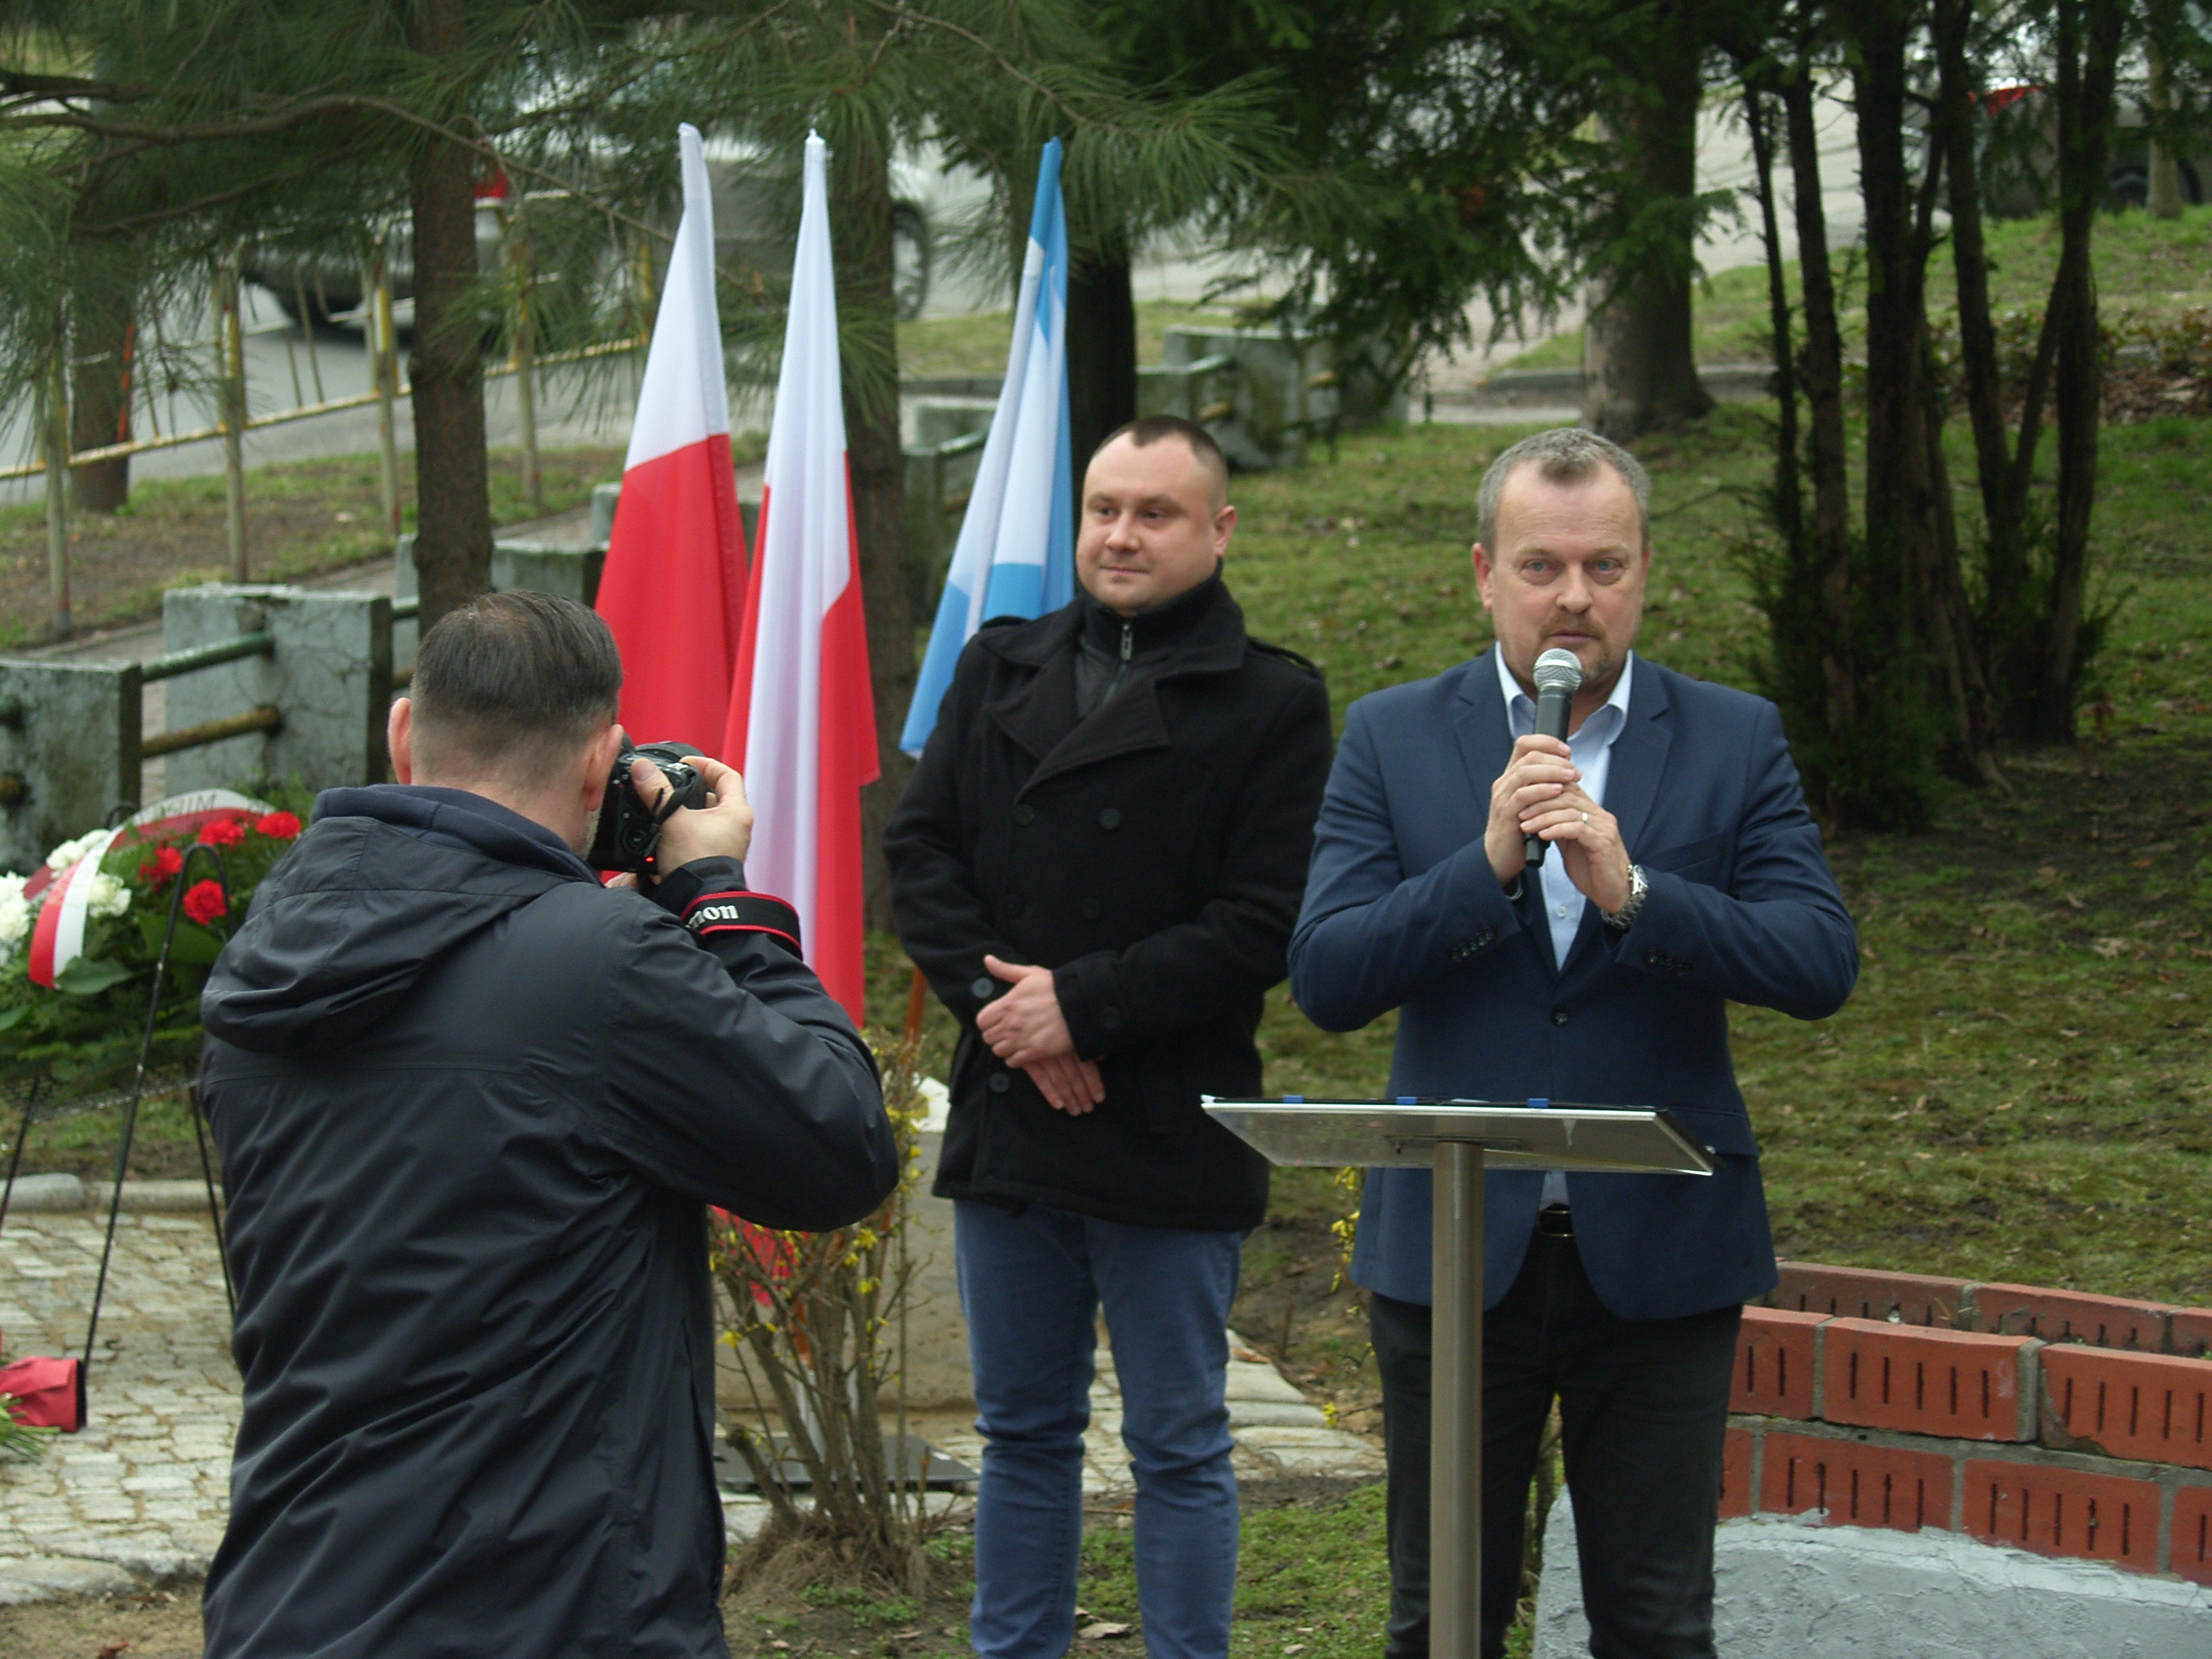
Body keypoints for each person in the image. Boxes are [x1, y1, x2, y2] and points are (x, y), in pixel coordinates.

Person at [197, 591, 898, 1659]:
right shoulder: (600, 967)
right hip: (550, 1606)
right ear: (601, 762)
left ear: (402, 734)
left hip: (295, 1590)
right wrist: (718, 898)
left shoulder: (268, 953)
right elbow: (842, 1146)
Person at [1288, 428, 1857, 1659]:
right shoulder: (1393, 735)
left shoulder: (1733, 737)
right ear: (1483, 575)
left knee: (1656, 1622)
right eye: (1541, 566)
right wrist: (1484, 865)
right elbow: (1325, 978)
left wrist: (1635, 894)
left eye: (1605, 565)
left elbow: (1819, 964)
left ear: (1646, 572)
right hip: (1453, 1261)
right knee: (1443, 1617)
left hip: (1662, 1256)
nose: (1574, 598)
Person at [884, 415, 1334, 1659]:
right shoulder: (999, 665)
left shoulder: (1273, 700)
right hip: (1015, 1117)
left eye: (1155, 512)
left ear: (1219, 530)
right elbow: (920, 855)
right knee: (1022, 1435)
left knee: (1178, 1442)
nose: (1121, 535)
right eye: (1104, 509)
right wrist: (1018, 1023)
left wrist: (1082, 1007)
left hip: (1166, 1126)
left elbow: (1265, 922)